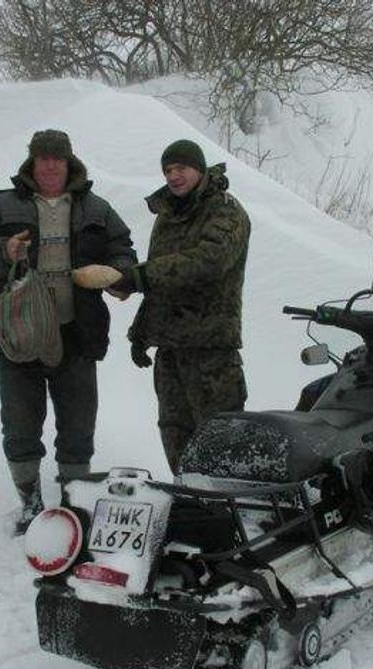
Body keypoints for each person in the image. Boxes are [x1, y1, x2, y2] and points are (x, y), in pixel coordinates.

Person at [0, 129, 136, 532]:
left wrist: (116, 274)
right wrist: (3, 252)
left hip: (77, 334)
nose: (51, 165)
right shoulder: (3, 206)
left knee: (77, 425)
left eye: (57, 158)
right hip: (19, 335)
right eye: (43, 158)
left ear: (69, 162)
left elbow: (122, 248)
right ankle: (30, 502)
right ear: (32, 163)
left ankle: (73, 503)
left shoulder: (96, 208)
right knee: (20, 424)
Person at [115, 139, 252, 474]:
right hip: (171, 350)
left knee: (221, 438)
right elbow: (161, 282)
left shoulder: (225, 211)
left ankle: (230, 515)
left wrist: (138, 277)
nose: (173, 176)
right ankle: (191, 508)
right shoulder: (167, 217)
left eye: (181, 168)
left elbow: (207, 262)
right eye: (167, 170)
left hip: (210, 351)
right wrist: (141, 333)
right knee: (175, 434)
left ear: (200, 169)